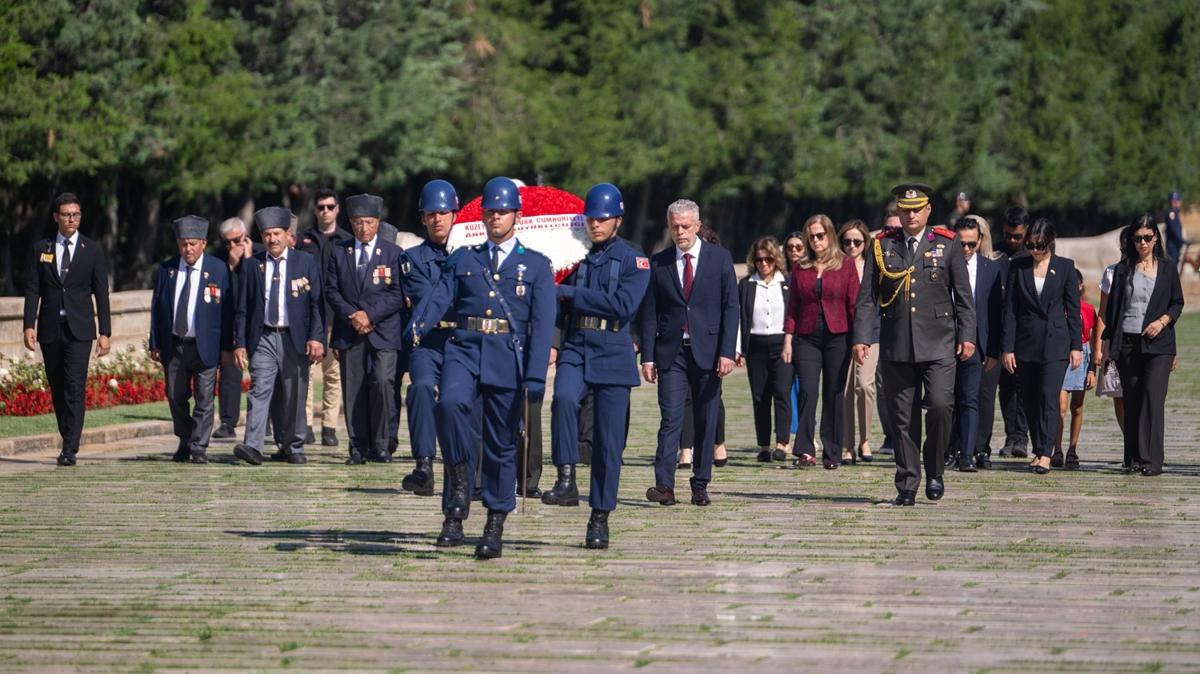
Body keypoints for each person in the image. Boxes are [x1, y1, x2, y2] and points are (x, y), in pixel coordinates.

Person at [410, 177, 555, 558]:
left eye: (502, 211)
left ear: (516, 216)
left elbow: (541, 327)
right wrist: (418, 325)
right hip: (464, 349)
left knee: (501, 444)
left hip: (507, 357)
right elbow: (440, 295)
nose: (495, 217)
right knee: (449, 406)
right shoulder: (464, 258)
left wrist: (536, 374)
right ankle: (457, 491)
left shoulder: (535, 266)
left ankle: (494, 520)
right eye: (489, 211)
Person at [852, 183, 976, 505]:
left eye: (916, 209)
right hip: (897, 344)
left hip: (938, 343)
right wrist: (862, 336)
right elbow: (867, 298)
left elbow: (963, 297)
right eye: (905, 209)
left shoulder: (947, 245)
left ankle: (934, 470)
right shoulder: (882, 246)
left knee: (938, 405)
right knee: (902, 418)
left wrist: (967, 336)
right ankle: (907, 483)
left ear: (928, 210)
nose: (910, 215)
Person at [543, 183, 650, 549]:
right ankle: (567, 476)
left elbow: (622, 305)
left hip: (614, 349)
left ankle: (599, 516)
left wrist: (572, 294)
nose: (596, 225)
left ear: (617, 220)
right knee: (563, 399)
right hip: (577, 344)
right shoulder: (575, 255)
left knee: (608, 444)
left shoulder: (634, 259)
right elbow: (556, 295)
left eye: (603, 219)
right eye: (591, 219)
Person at [640, 199, 739, 507]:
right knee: (670, 418)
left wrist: (727, 351)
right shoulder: (660, 262)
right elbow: (650, 312)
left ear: (697, 226)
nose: (680, 232)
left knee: (706, 417)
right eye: (674, 226)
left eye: (685, 226)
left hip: (709, 352)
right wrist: (648, 356)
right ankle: (664, 485)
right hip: (672, 353)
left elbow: (731, 307)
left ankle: (700, 482)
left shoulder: (719, 259)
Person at [22, 193, 113, 466]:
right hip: (50, 329)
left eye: (76, 214)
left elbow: (102, 292)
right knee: (57, 385)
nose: (72, 219)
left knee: (74, 385)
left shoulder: (92, 249)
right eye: (66, 214)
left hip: (80, 330)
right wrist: (29, 324)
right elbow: (32, 289)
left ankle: (70, 446)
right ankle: (68, 435)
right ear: (56, 217)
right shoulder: (42, 248)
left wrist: (105, 331)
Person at [232, 206, 326, 465]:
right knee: (259, 390)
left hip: (295, 337)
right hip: (263, 337)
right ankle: (253, 445)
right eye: (267, 235)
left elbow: (317, 303)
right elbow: (243, 308)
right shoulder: (252, 266)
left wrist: (317, 338)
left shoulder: (305, 262)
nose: (272, 239)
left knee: (295, 393)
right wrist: (239, 343)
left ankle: (293, 444)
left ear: (288, 235)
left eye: (277, 234)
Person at [325, 194, 406, 465]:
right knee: (354, 388)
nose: (363, 228)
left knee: (383, 381)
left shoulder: (393, 253)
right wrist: (353, 315)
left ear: (377, 222)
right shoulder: (339, 252)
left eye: (369, 222)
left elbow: (397, 294)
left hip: (383, 329)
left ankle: (381, 444)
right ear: (351, 223)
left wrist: (369, 314)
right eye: (358, 223)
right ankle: (357, 446)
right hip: (350, 330)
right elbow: (331, 291)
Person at [1101, 215, 1185, 476]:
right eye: (1137, 239)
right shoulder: (1123, 270)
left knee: (1153, 398)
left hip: (1159, 344)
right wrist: (1106, 348)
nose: (1142, 243)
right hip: (1128, 342)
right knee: (1133, 399)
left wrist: (1162, 321)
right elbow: (1112, 312)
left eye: (1147, 238)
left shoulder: (1168, 268)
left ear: (1156, 238)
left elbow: (1177, 303)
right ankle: (1134, 457)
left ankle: (1152, 460)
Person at [1000, 219, 1082, 475]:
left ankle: (1046, 452)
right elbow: (1010, 310)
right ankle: (1038, 448)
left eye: (1040, 246)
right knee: (1031, 400)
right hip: (1026, 343)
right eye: (1031, 245)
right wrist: (1007, 347)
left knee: (1049, 397)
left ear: (1050, 243)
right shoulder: (1018, 266)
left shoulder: (1065, 267)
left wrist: (1076, 346)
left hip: (1055, 343)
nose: (1035, 250)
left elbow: (1073, 308)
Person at [147, 216, 231, 464]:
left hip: (206, 346)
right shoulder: (167, 270)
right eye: (183, 244)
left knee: (204, 398)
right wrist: (155, 343)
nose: (188, 249)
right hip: (175, 344)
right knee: (175, 396)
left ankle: (199, 446)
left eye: (193, 244)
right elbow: (157, 307)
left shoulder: (218, 269)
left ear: (203, 243)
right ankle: (184, 439)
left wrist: (227, 347)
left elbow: (227, 312)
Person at [398, 179, 460, 497]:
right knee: (420, 387)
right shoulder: (411, 259)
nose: (437, 219)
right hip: (429, 340)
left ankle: (465, 466)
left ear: (455, 215)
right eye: (431, 214)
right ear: (422, 218)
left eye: (444, 212)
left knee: (458, 398)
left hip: (462, 341)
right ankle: (423, 464)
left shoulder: (472, 254)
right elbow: (427, 299)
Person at [783, 214, 859, 469]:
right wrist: (788, 339)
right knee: (808, 390)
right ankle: (804, 449)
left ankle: (833, 451)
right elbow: (792, 306)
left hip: (838, 335)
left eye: (820, 235)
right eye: (811, 236)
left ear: (829, 235)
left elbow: (854, 304)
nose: (815, 241)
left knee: (834, 392)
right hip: (806, 337)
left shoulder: (845, 265)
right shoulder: (800, 268)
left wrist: (859, 340)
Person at [949, 215, 1003, 472]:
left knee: (972, 399)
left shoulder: (991, 269)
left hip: (977, 344)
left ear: (980, 241)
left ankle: (968, 454)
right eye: (961, 244)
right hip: (944, 342)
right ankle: (948, 449)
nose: (966, 249)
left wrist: (993, 349)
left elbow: (995, 313)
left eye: (971, 244)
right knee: (945, 400)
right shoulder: (941, 265)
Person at [299, 188, 350, 448]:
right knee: (306, 375)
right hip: (308, 317)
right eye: (321, 207)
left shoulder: (346, 240)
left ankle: (329, 426)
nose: (326, 211)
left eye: (330, 206)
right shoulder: (304, 240)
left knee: (333, 375)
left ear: (338, 208)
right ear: (315, 210)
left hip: (335, 317)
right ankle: (305, 425)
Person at [736, 236, 792, 463]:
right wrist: (738, 349)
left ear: (776, 259)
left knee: (782, 391)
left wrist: (791, 342)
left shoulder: (787, 283)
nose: (764, 264)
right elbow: (739, 318)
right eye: (759, 260)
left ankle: (782, 442)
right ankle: (764, 444)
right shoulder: (746, 285)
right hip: (756, 344)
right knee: (760, 396)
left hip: (781, 343)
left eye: (768, 259)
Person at [211, 218, 259, 441]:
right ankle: (227, 421)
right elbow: (221, 292)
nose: (233, 246)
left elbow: (257, 287)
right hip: (231, 321)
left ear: (246, 236)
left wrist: (248, 260)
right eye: (227, 242)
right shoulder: (220, 260)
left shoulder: (258, 254)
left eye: (236, 240)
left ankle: (261, 420)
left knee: (263, 372)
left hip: (258, 320)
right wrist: (229, 267)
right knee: (230, 373)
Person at [837, 219, 876, 463]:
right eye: (847, 241)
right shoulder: (837, 266)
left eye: (857, 241)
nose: (852, 246)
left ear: (865, 243)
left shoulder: (873, 266)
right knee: (843, 390)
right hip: (842, 333)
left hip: (872, 334)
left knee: (864, 385)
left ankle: (865, 439)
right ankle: (846, 443)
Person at [995, 207, 1031, 458]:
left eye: (1017, 236)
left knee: (1024, 386)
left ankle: (1022, 436)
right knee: (1006, 387)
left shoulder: (1033, 255)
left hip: (1025, 331)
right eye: (1008, 235)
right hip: (998, 329)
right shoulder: (996, 254)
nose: (1012, 241)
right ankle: (1011, 435)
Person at [1054, 270, 1097, 470]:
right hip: (1061, 356)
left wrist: (1093, 369)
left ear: (1080, 286)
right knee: (1060, 406)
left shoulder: (1088, 309)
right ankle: (1057, 449)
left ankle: (1072, 449)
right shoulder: (1057, 308)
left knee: (1077, 407)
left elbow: (1095, 339)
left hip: (1082, 354)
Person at [1094, 252, 1127, 436]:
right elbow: (1103, 312)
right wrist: (1099, 348)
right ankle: (1129, 444)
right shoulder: (1111, 273)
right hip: (1113, 342)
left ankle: (1139, 447)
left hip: (1138, 343)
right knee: (1118, 395)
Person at [782, 230, 807, 457]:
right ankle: (789, 434)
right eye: (790, 247)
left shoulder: (809, 272)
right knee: (787, 388)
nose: (794, 252)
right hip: (784, 337)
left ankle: (807, 432)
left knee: (806, 387)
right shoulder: (781, 275)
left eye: (799, 247)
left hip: (807, 336)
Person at [1165, 191, 1185, 265]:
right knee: (1172, 266)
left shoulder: (1175, 213)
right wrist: (1181, 241)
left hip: (1175, 245)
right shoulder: (1171, 213)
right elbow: (1174, 229)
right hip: (1172, 246)